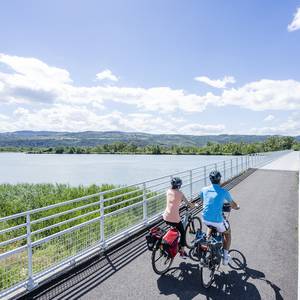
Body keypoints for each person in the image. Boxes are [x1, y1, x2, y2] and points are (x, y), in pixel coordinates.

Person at [200, 170, 240, 265]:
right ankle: (226, 257)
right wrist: (237, 207)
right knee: (227, 233)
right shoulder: (224, 191)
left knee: (210, 226)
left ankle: (207, 241)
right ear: (220, 179)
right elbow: (233, 205)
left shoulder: (204, 189)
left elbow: (203, 200)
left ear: (210, 180)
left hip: (204, 218)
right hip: (217, 221)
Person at [162, 177, 194, 258]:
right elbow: (188, 204)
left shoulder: (168, 191)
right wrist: (194, 205)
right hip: (174, 219)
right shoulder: (180, 194)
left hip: (165, 216)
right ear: (179, 185)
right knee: (182, 233)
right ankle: (182, 252)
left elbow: (173, 201)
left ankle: (167, 244)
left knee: (173, 229)